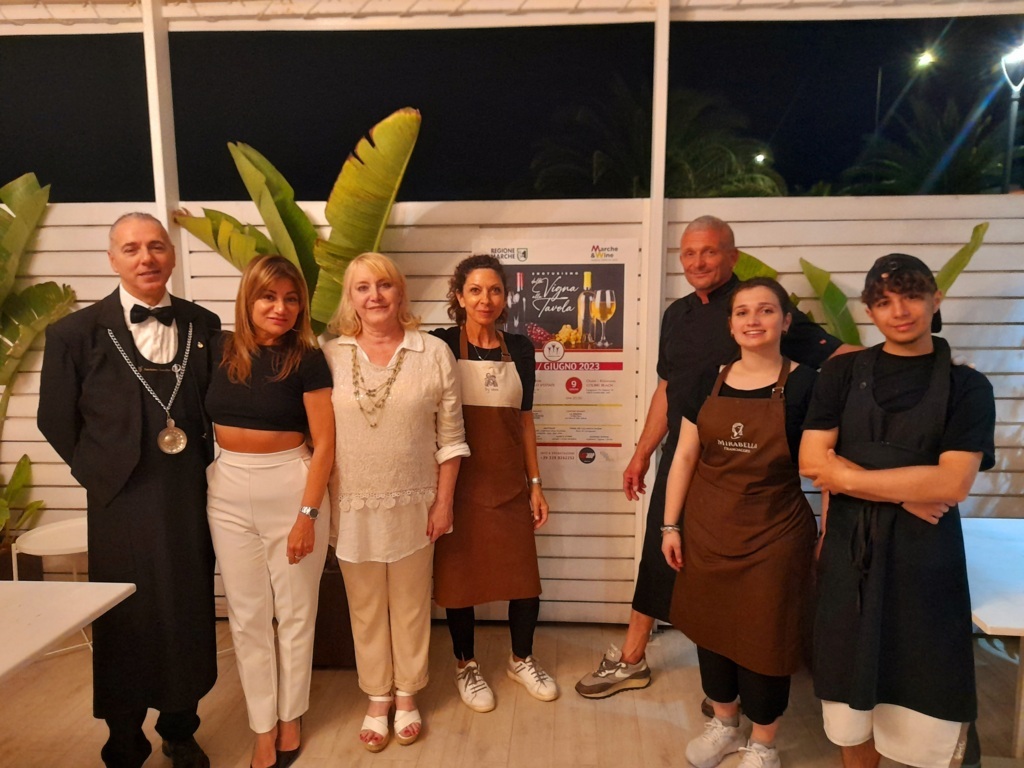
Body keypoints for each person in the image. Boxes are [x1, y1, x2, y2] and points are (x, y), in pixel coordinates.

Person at [576, 215, 852, 700]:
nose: (697, 262)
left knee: (735, 579)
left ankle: (731, 686)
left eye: (709, 251)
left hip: (748, 473)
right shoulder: (677, 315)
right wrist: (641, 454)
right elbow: (668, 388)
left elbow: (842, 354)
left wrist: (914, 361)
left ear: (732, 255)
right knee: (658, 554)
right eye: (689, 253)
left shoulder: (758, 306)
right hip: (684, 454)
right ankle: (634, 658)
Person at [37, 212, 219, 768]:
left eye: (157, 246)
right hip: (118, 499)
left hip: (187, 493)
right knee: (124, 613)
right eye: (132, 248)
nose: (146, 258)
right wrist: (101, 474)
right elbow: (54, 418)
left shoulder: (203, 325)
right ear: (112, 259)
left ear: (172, 255)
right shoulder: (74, 333)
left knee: (186, 608)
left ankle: (180, 729)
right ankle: (123, 735)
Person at [800, 254, 995, 768]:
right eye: (884, 302)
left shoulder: (968, 387)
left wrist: (848, 477)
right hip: (849, 558)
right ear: (870, 311)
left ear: (936, 299)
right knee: (849, 699)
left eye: (911, 296)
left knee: (925, 696)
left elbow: (952, 482)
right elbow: (812, 461)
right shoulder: (841, 373)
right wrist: (906, 492)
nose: (900, 311)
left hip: (924, 563)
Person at [661, 278, 816, 768]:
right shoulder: (706, 380)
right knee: (710, 629)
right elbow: (685, 456)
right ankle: (725, 724)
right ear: (730, 325)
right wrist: (670, 526)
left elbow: (827, 464)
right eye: (742, 312)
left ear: (785, 321)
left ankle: (764, 743)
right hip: (708, 530)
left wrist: (830, 529)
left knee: (767, 637)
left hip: (776, 532)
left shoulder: (809, 384)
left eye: (765, 310)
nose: (753, 320)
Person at [323, 252, 470, 751]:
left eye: (384, 285)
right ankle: (377, 696)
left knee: (409, 604)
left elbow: (452, 437)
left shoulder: (433, 352)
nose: (375, 296)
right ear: (350, 297)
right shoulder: (329, 355)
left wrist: (444, 502)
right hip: (350, 505)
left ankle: (407, 692)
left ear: (400, 292)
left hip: (416, 503)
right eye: (363, 287)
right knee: (364, 608)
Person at [204, 255, 334, 768]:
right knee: (247, 616)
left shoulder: (308, 358)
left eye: (290, 298)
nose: (280, 307)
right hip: (227, 487)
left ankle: (290, 715)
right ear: (248, 299)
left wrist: (307, 514)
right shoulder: (218, 350)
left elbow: (325, 444)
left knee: (296, 612)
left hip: (291, 484)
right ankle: (262, 723)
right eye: (268, 296)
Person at [431, 254, 557, 713]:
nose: (486, 299)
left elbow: (525, 421)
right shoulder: (441, 345)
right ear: (459, 297)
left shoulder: (520, 349)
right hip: (457, 485)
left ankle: (521, 659)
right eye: (475, 290)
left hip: (508, 483)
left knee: (524, 580)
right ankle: (466, 665)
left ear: (505, 297)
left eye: (495, 290)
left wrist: (535, 482)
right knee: (459, 579)